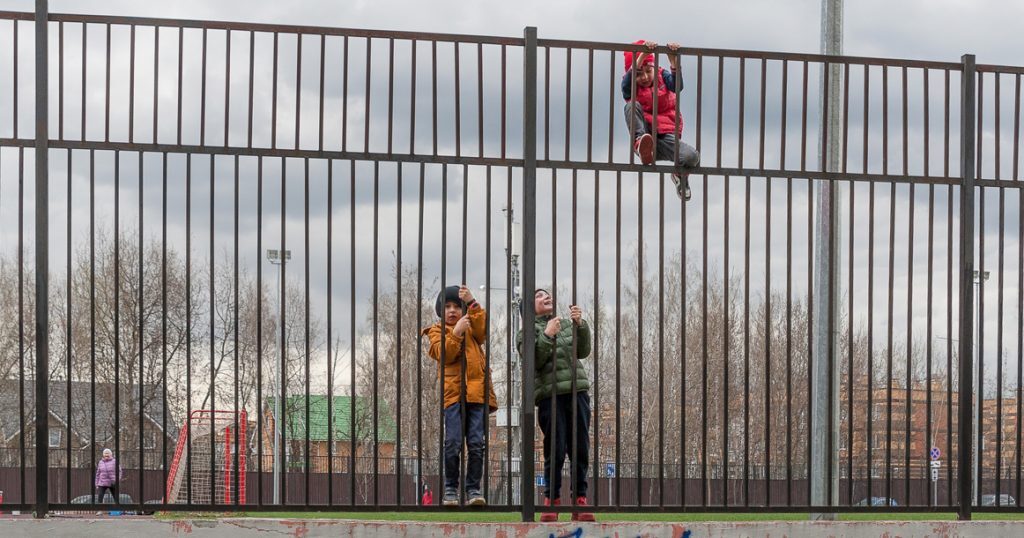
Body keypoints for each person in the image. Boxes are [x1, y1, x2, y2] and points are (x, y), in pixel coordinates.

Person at [516, 289, 595, 522]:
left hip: (576, 391)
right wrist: (547, 335)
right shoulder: (526, 333)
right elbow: (533, 362)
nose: (546, 296)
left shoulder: (564, 325)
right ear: (529, 307)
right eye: (539, 295)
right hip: (550, 395)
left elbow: (583, 350)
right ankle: (552, 500)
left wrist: (580, 325)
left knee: (580, 447)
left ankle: (580, 499)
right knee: (555, 448)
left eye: (547, 294)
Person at [421, 284, 498, 507]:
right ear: (440, 310)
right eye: (447, 307)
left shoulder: (471, 328)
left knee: (476, 443)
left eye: (457, 306)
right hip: (453, 396)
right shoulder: (436, 331)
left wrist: (473, 303)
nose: (452, 311)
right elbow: (443, 354)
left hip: (477, 395)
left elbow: (482, 331)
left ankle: (473, 489)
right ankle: (450, 490)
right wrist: (455, 333)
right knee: (453, 442)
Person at [622, 39, 701, 201]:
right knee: (631, 106)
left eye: (647, 72)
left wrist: (673, 59)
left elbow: (677, 86)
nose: (644, 77)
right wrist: (642, 55)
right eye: (638, 73)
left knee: (692, 157)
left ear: (654, 67)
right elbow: (626, 87)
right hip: (646, 136)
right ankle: (640, 145)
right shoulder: (630, 85)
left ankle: (679, 175)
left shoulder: (662, 75)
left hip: (665, 137)